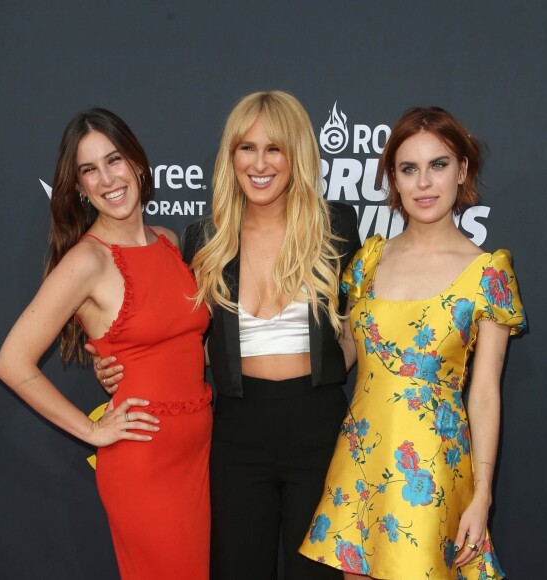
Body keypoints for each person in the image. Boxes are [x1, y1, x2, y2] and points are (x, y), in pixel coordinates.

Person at [96, 91, 361, 579]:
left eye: (274, 148)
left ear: (297, 154)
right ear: (231, 157)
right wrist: (122, 363)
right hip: (237, 431)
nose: (259, 163)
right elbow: (178, 336)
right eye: (246, 148)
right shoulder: (203, 239)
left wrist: (332, 362)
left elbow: (359, 328)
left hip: (319, 425)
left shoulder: (336, 226)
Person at [299, 107, 526, 579]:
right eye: (409, 169)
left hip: (433, 473)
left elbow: (484, 393)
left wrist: (482, 493)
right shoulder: (366, 262)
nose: (424, 183)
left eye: (438, 165)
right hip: (360, 468)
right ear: (394, 181)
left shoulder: (487, 274)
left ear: (462, 170)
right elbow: (341, 355)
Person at [0, 109, 211, 580]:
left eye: (114, 160)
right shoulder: (86, 261)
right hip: (143, 465)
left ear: (137, 162)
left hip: (196, 457)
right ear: (78, 186)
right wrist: (92, 432)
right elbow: (12, 361)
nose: (107, 179)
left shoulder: (169, 241)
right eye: (89, 170)